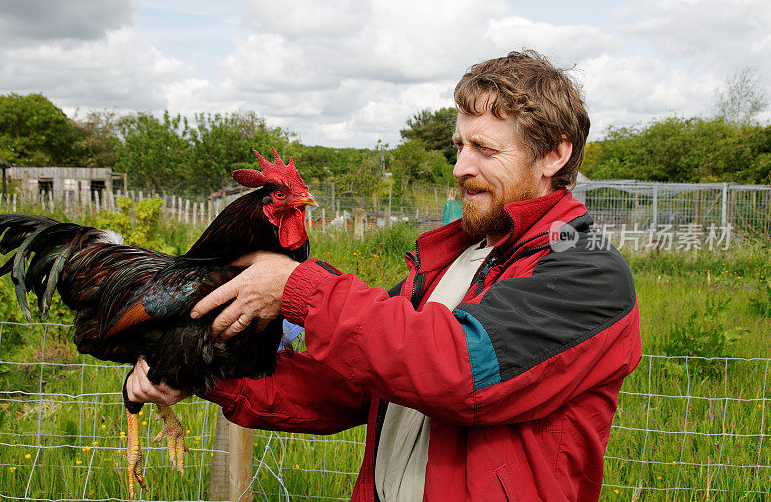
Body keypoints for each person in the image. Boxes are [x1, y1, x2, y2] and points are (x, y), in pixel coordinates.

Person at [127, 50, 642, 501]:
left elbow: (459, 371)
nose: (461, 166)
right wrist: (200, 372)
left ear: (555, 152)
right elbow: (346, 387)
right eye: (459, 146)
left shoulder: (587, 273)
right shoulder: (452, 262)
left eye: (484, 149)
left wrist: (301, 289)